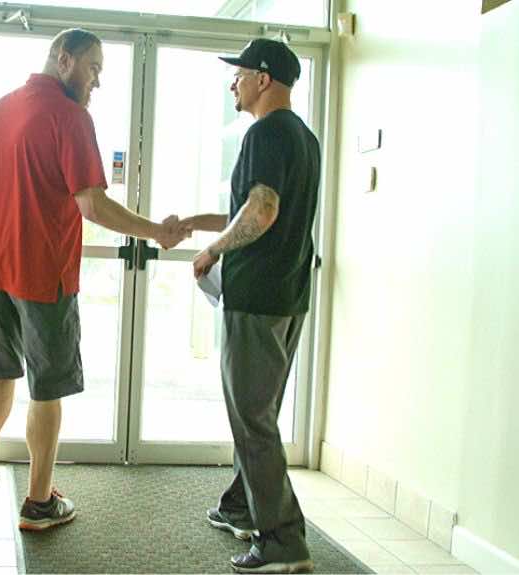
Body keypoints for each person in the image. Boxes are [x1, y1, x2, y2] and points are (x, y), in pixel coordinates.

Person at [0, 28, 187, 531]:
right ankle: (40, 502)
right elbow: (91, 203)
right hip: (43, 273)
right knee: (48, 388)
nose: (98, 82)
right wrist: (155, 232)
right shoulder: (70, 117)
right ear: (65, 60)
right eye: (94, 69)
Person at [182, 38, 320, 573]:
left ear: (263, 79)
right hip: (288, 296)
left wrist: (212, 250)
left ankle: (284, 541)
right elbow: (262, 210)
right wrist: (200, 223)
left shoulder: (264, 132)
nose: (232, 83)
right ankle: (242, 503)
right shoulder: (302, 138)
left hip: (256, 298)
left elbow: (260, 212)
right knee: (259, 411)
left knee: (252, 419)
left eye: (239, 74)